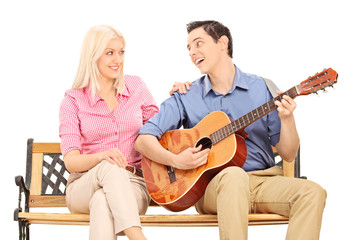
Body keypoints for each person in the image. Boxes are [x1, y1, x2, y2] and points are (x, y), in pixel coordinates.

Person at [135, 20, 327, 240]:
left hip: (262, 181)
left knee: (312, 192)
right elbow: (143, 140)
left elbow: (289, 153)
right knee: (233, 176)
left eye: (199, 43)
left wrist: (287, 119)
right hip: (213, 188)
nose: (192, 52)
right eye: (189, 48)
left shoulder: (262, 87)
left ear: (222, 43)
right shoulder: (186, 95)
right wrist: (176, 161)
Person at [59, 25, 190, 240]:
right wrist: (102, 156)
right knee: (110, 166)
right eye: (109, 53)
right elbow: (71, 162)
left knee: (102, 201)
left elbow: (161, 131)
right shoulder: (73, 100)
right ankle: (137, 236)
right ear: (93, 56)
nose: (118, 60)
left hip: (134, 184)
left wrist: (180, 98)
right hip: (83, 185)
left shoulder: (135, 87)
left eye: (121, 52)